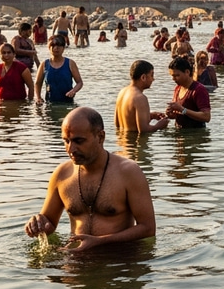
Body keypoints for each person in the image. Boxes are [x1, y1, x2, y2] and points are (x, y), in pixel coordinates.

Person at [23, 107, 156, 250]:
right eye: (66, 141)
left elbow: (148, 228)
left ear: (100, 137)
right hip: (75, 257)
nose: (71, 149)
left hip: (118, 257)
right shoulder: (61, 174)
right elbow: (48, 223)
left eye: (78, 141)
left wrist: (100, 241)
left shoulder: (128, 172)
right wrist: (36, 224)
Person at [114, 60, 170, 133]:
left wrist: (149, 116)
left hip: (122, 139)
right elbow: (144, 131)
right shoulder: (140, 98)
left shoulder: (122, 92)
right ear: (143, 77)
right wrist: (159, 125)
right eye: (151, 75)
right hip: (135, 140)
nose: (153, 79)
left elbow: (117, 124)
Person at [34, 35, 83, 103]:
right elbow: (37, 83)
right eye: (53, 45)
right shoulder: (44, 64)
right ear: (49, 47)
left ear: (63, 48)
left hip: (67, 103)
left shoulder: (70, 63)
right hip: (50, 103)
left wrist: (73, 91)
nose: (56, 48)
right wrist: (38, 97)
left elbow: (79, 82)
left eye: (59, 45)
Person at [167, 57, 211, 128]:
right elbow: (180, 114)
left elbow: (206, 117)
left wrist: (182, 109)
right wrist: (171, 114)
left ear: (187, 72)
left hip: (196, 132)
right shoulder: (178, 88)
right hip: (180, 131)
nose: (173, 79)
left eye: (177, 75)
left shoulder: (199, 90)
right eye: (172, 76)